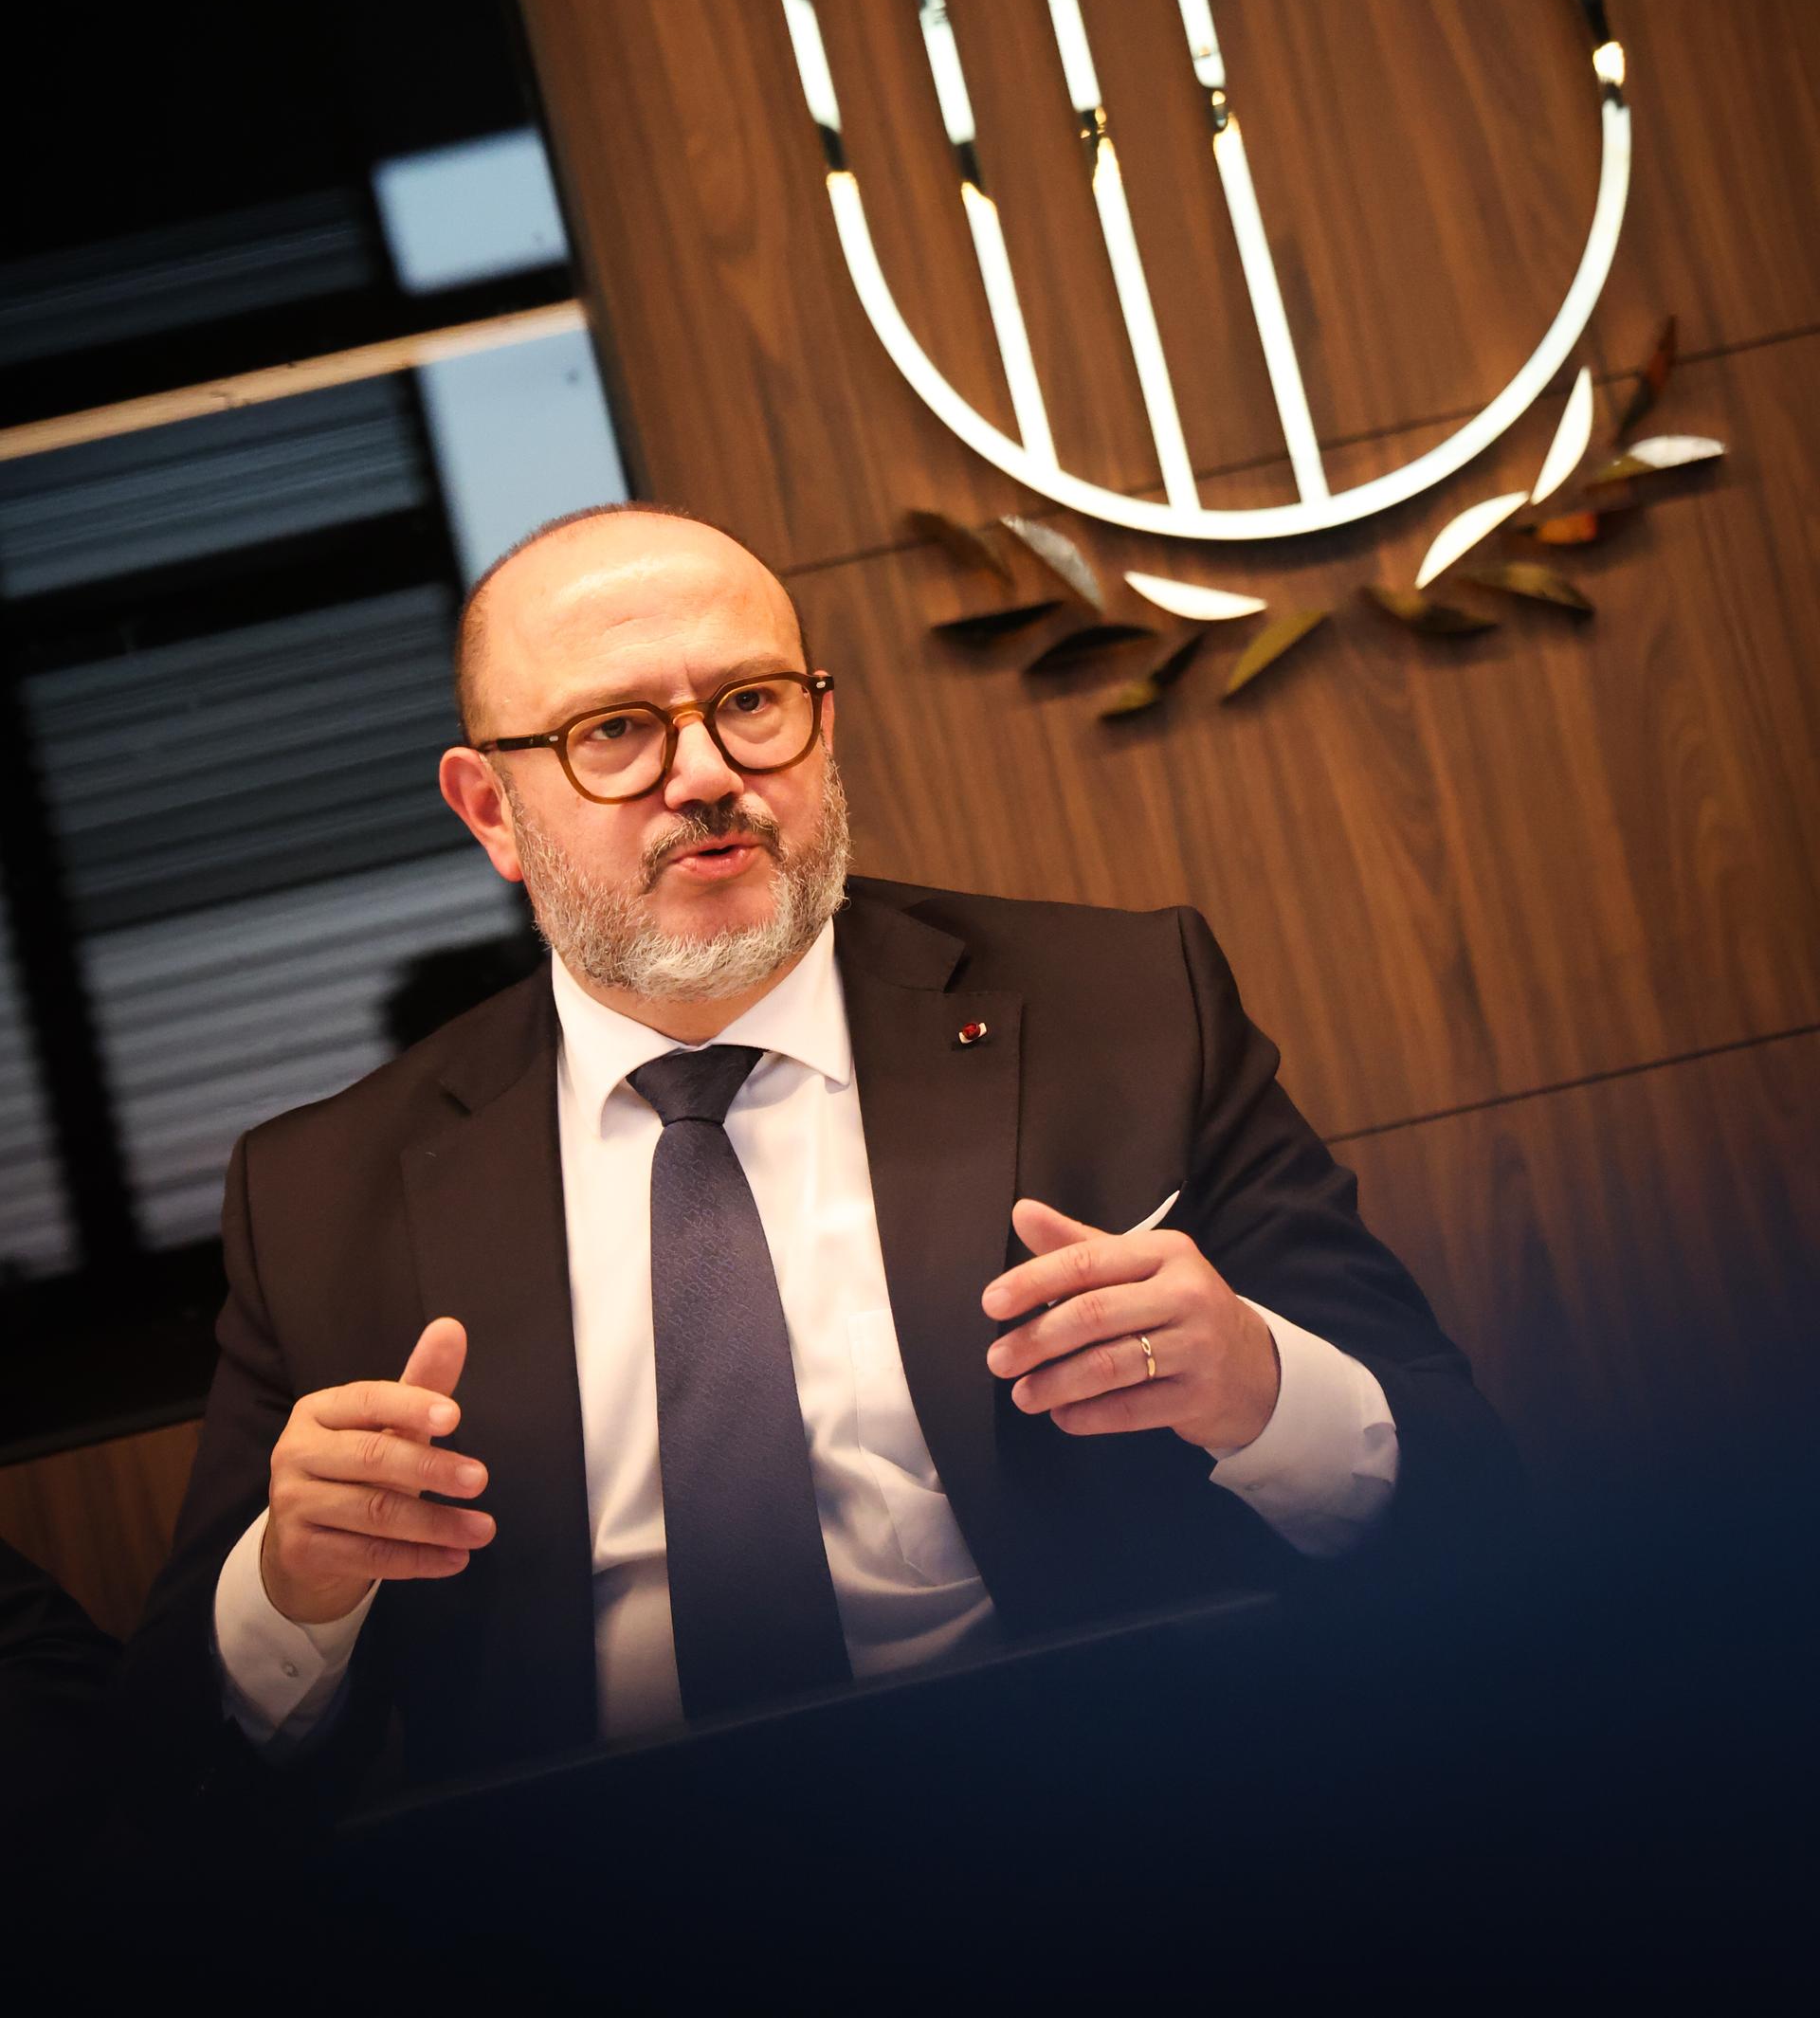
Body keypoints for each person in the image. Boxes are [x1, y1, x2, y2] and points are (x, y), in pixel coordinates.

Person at [124, 503, 1513, 1795]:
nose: (709, 773)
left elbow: (1462, 1488)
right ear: (493, 807)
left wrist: (1256, 1384)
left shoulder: (1128, 1007)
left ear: (822, 726)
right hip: (603, 1900)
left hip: (1104, 1807)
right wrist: (296, 1584)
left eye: (751, 703)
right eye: (615, 730)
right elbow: (190, 1761)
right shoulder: (322, 1193)